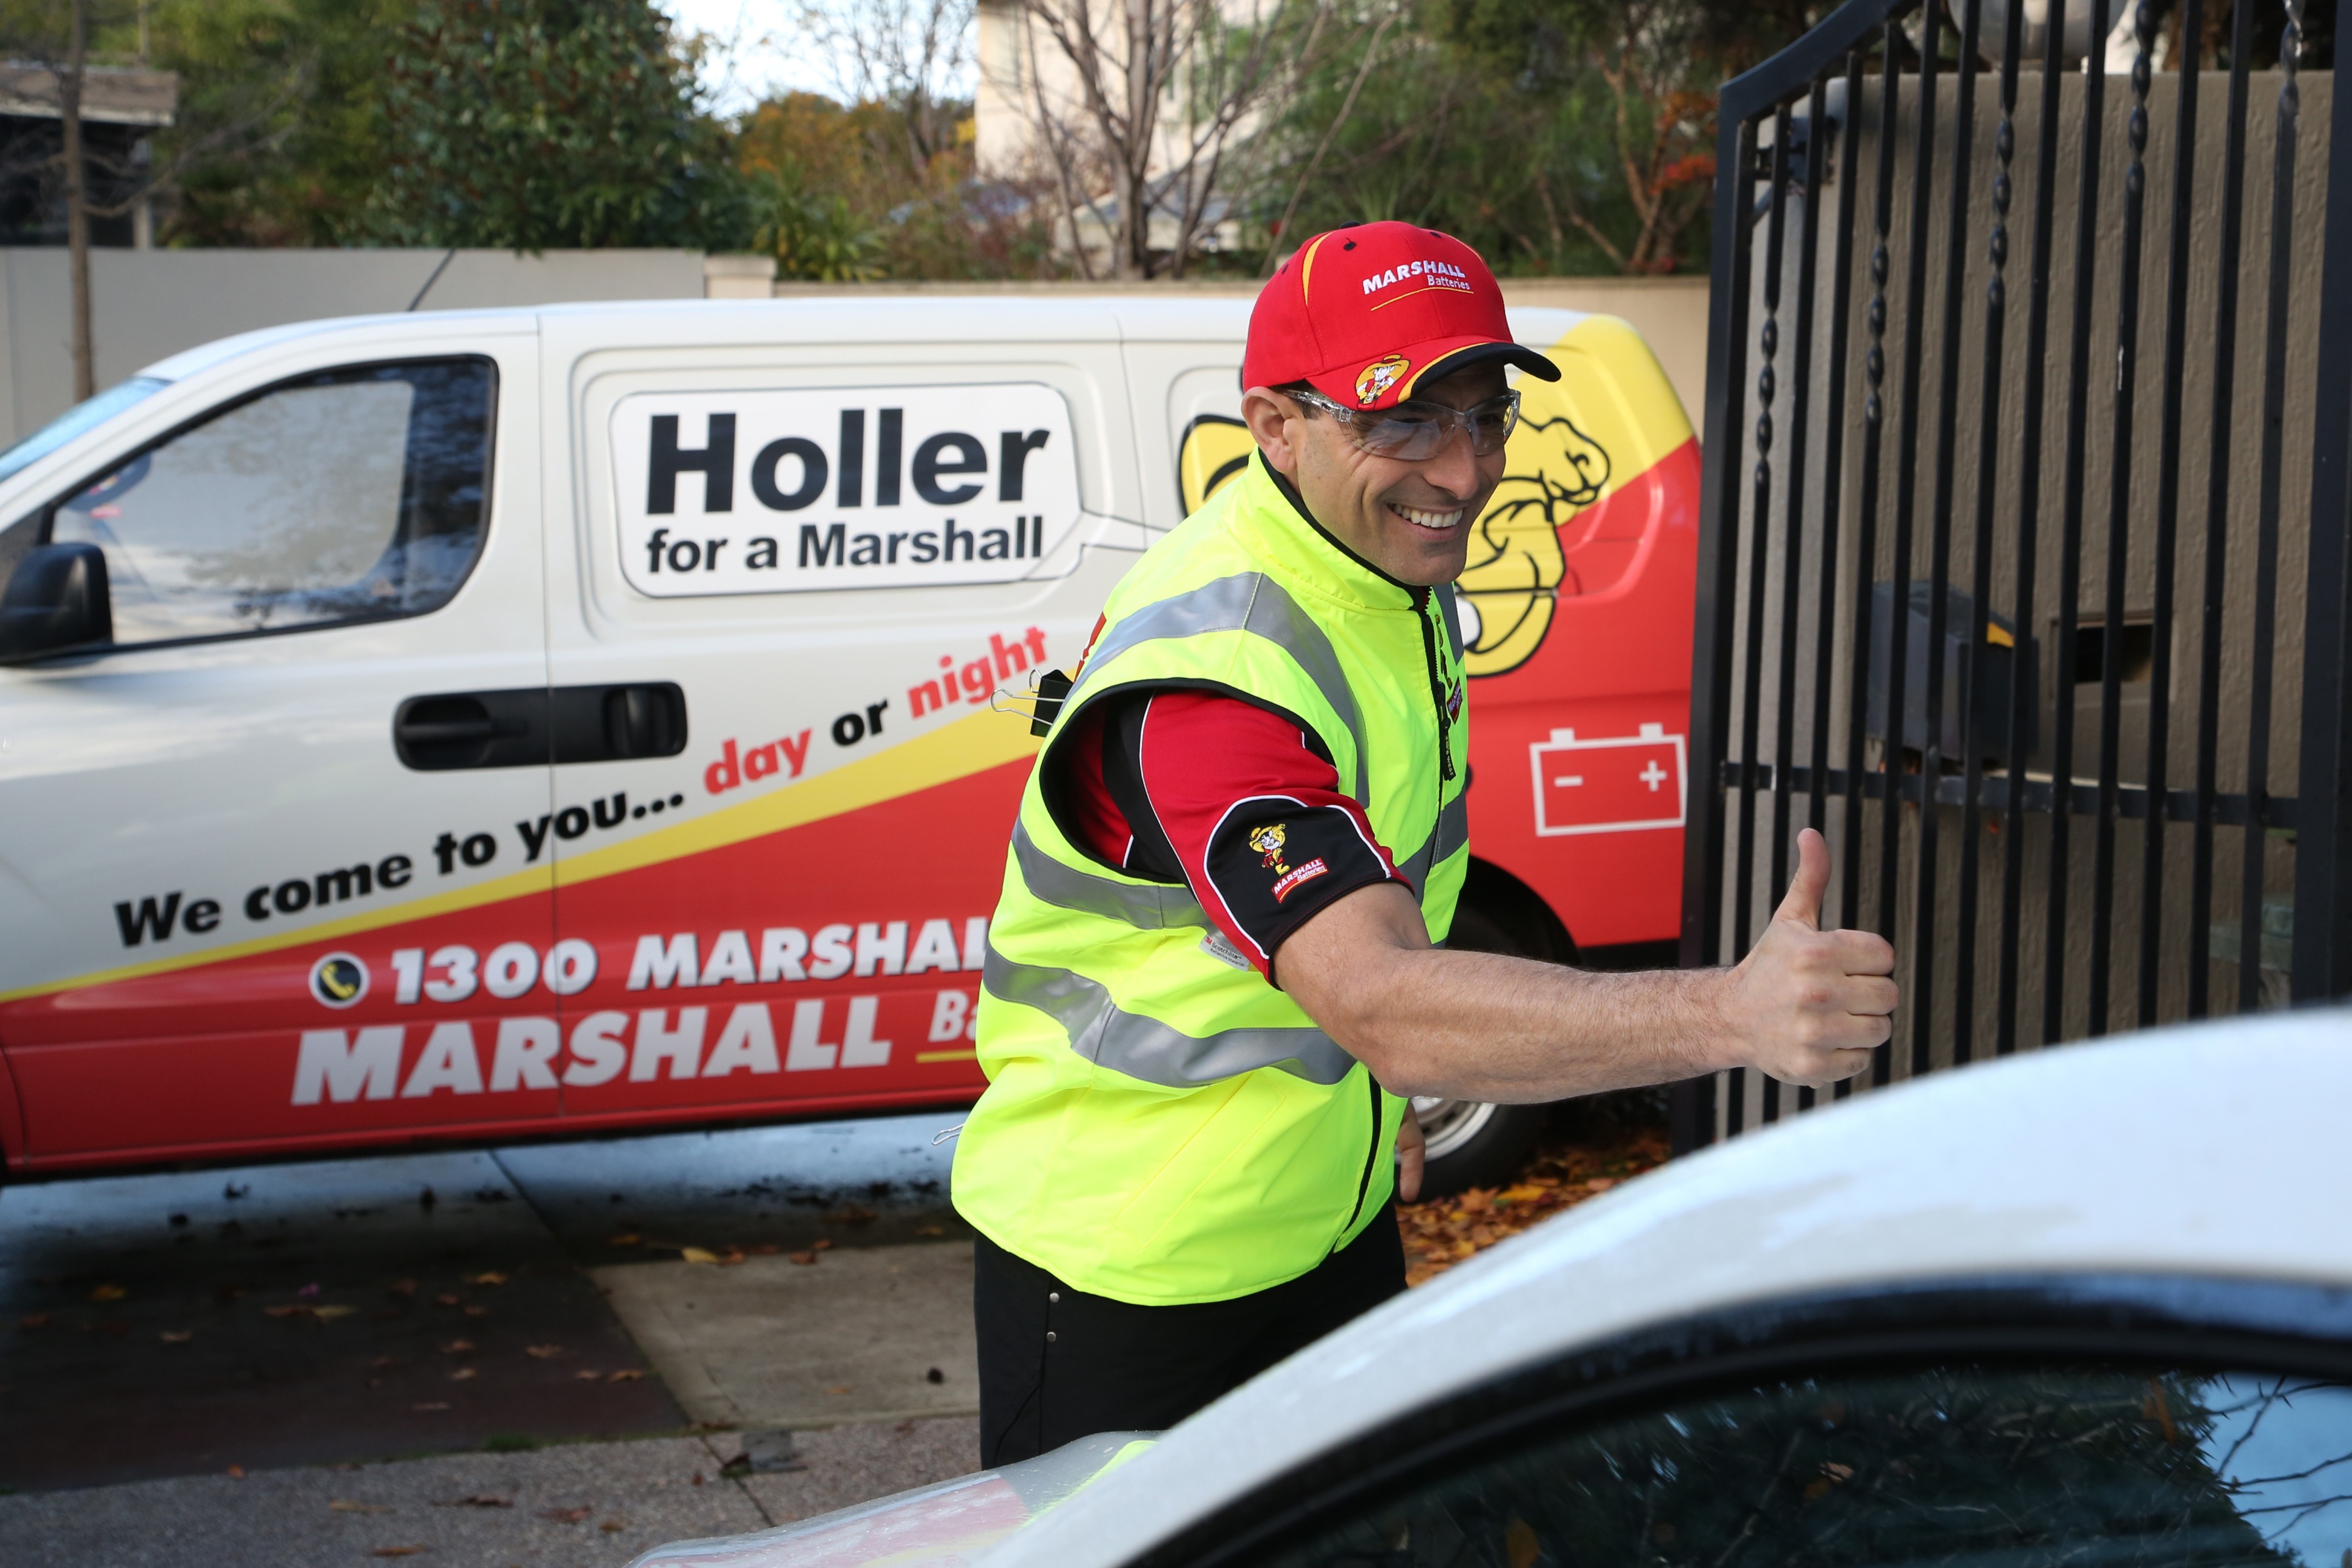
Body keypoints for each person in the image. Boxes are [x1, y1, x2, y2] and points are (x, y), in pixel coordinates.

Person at [950, 221, 1897, 1466]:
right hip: (1132, 1268)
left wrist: (1371, 1109)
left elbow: (1359, 960)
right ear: (1275, 426)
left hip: (1321, 1231)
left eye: (1484, 415)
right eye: (1402, 421)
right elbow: (1382, 1000)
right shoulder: (1219, 676)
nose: (1462, 471)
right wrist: (1731, 1014)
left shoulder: (1375, 569)